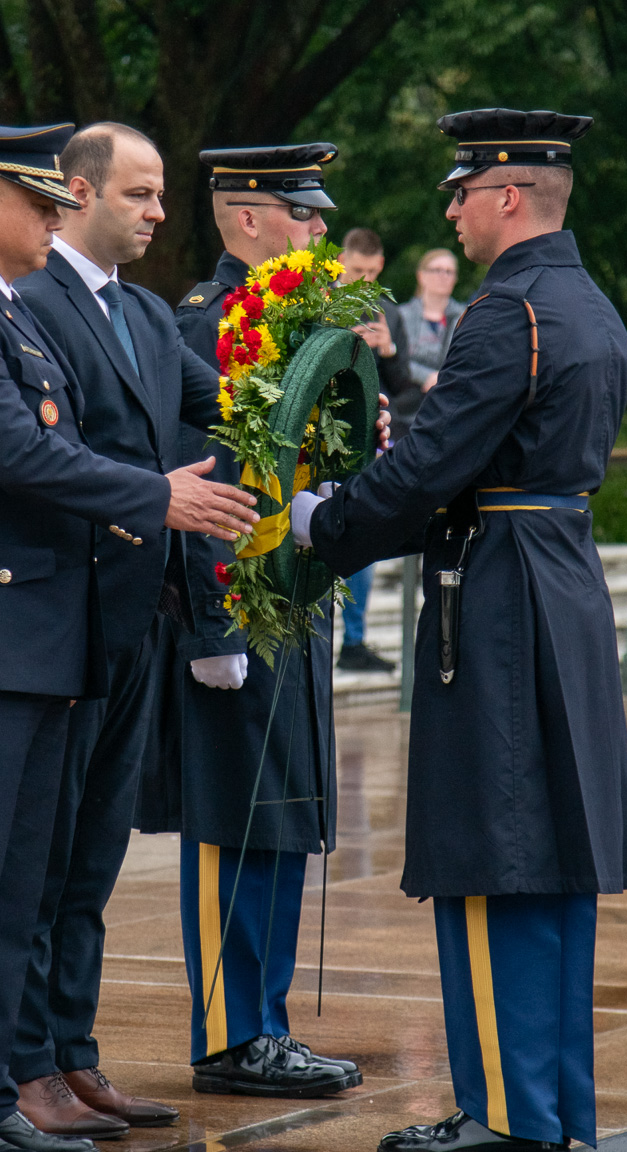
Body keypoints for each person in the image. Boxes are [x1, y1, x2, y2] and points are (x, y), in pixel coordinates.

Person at [0, 122, 259, 1152]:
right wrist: (155, 498)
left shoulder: (11, 316)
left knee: (7, 895)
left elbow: (81, 436)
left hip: (30, 639)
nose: (55, 218)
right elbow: (20, 455)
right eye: (37, 203)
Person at [295, 110, 627, 1152]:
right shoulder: (588, 307)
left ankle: (499, 1116)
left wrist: (326, 521)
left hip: (495, 593)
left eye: (461, 192)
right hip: (559, 580)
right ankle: (547, 1114)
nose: (448, 209)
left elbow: (431, 466)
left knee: (493, 858)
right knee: (552, 861)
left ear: (505, 196)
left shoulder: (509, 313)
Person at [9, 122, 223, 1138]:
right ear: (79, 191)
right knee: (42, 858)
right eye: (138, 194)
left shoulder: (143, 312)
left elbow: (221, 410)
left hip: (135, 618)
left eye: (160, 195)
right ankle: (25, 1066)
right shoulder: (29, 300)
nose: (156, 213)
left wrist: (329, 398)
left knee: (93, 858)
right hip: (59, 615)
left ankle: (73, 1053)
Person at [153, 143, 362, 1099]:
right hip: (237, 605)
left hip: (292, 600)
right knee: (234, 821)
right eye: (301, 213)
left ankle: (267, 1024)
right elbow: (203, 479)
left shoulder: (294, 320)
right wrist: (214, 631)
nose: (318, 229)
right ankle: (232, 1035)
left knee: (282, 818)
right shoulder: (208, 324)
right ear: (247, 219)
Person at [332, 226, 408, 674]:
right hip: (326, 434)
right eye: (356, 270)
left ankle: (355, 639)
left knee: (366, 539)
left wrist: (390, 348)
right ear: (342, 261)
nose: (363, 278)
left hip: (372, 438)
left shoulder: (388, 313)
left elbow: (404, 388)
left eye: (371, 271)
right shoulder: (320, 300)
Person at [395, 247, 465, 409]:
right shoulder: (402, 315)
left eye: (449, 272)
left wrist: (441, 378)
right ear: (421, 275)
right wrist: (427, 376)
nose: (443, 276)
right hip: (406, 401)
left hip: (448, 401)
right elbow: (396, 359)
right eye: (437, 270)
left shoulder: (465, 316)